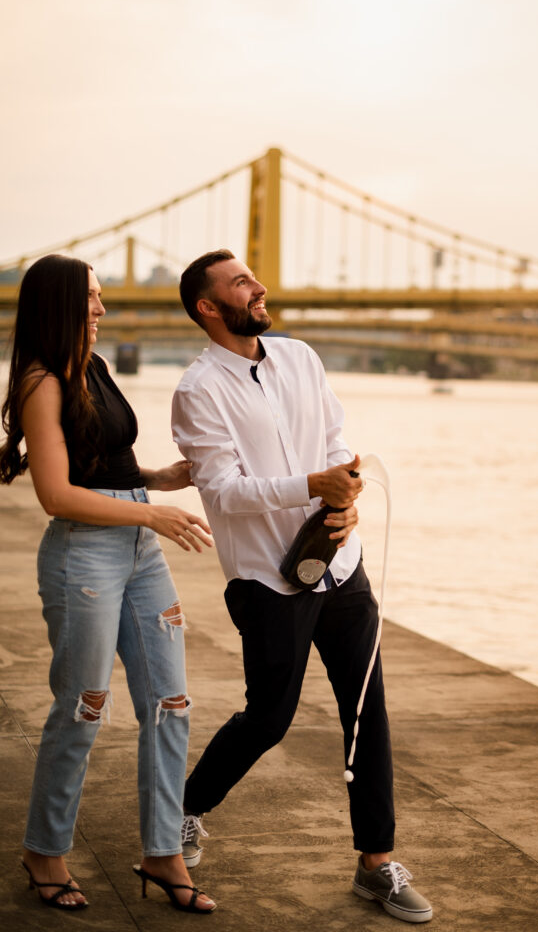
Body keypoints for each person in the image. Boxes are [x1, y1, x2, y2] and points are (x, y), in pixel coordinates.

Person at [171, 249, 433, 924]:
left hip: (341, 566)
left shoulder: (301, 358)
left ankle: (375, 864)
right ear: (207, 306)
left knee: (365, 712)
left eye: (253, 277)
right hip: (265, 581)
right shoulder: (198, 390)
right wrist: (307, 487)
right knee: (269, 718)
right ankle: (184, 810)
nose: (256, 287)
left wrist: (342, 497)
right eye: (238, 283)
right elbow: (223, 494)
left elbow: (334, 444)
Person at [0, 255, 217, 914]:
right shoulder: (41, 380)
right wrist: (152, 511)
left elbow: (100, 464)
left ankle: (162, 851)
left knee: (171, 703)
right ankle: (45, 849)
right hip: (84, 562)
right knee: (84, 708)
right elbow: (58, 494)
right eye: (92, 299)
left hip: (137, 553)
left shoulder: (90, 366)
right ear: (62, 305)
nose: (102, 310)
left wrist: (156, 479)